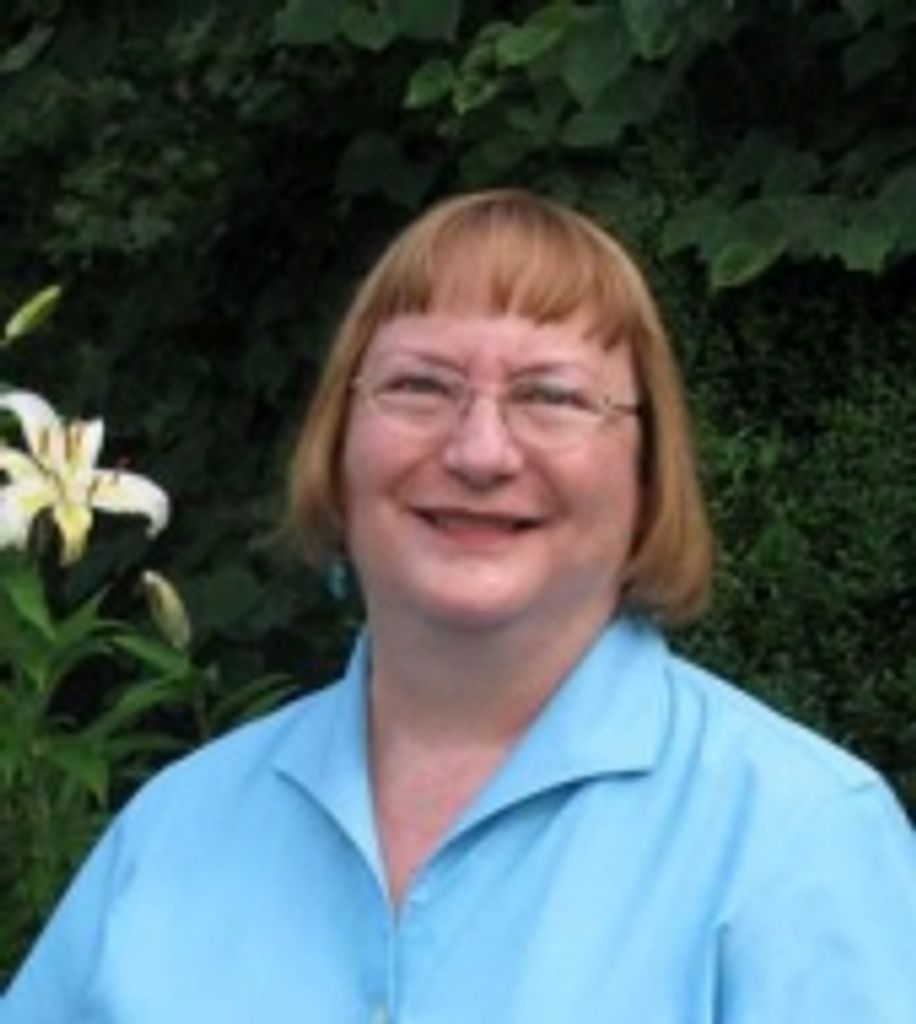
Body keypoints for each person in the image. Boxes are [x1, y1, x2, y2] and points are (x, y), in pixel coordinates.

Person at [4, 189, 916, 1022]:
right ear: (338, 442)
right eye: (420, 386)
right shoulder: (176, 830)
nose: (481, 452)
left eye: (551, 396)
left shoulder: (797, 840)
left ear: (647, 471)